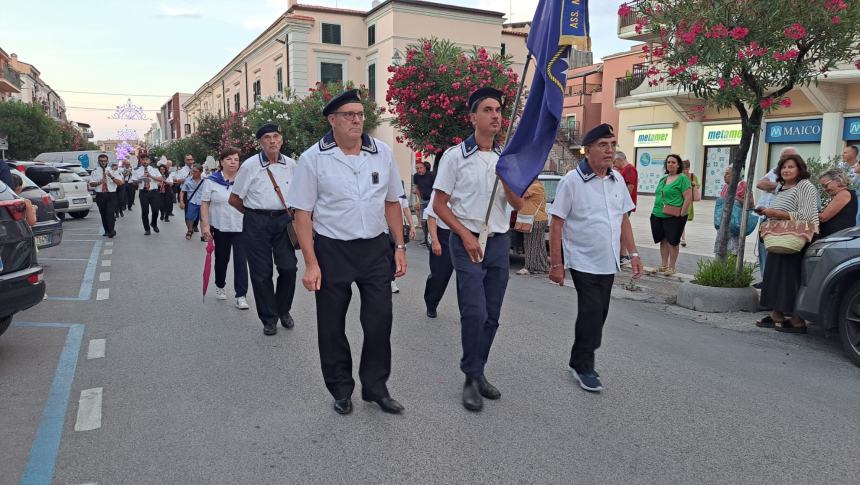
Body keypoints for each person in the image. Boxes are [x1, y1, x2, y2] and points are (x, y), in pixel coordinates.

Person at [287, 89, 407, 416]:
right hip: (332, 250)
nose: (357, 120)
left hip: (374, 248)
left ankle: (376, 387)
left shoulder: (381, 152)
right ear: (332, 120)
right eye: (348, 115)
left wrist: (399, 246)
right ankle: (341, 388)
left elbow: (392, 201)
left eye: (360, 115)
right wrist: (311, 264)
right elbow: (302, 215)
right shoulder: (314, 158)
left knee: (380, 321)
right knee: (331, 324)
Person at [433, 87, 525, 412]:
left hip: (498, 242)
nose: (496, 115)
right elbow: (439, 204)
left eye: (499, 110)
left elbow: (518, 203)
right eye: (488, 110)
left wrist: (510, 180)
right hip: (467, 240)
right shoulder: (454, 157)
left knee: (493, 315)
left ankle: (479, 369)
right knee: (474, 312)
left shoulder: (506, 159)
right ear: (473, 118)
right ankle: (470, 379)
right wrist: (463, 234)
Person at [548, 123, 643, 393]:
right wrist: (557, 264)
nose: (610, 150)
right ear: (587, 150)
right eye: (603, 145)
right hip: (581, 259)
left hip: (608, 260)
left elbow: (623, 219)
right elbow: (557, 223)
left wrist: (633, 253)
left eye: (612, 145)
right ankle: (584, 367)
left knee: (599, 314)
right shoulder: (572, 181)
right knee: (590, 312)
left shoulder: (616, 180)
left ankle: (578, 358)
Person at [229, 123, 298, 336]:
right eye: (267, 137)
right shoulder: (250, 166)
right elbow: (234, 199)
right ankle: (269, 318)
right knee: (261, 273)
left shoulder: (292, 165)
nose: (272, 141)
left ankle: (283, 309)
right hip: (256, 222)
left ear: (282, 140)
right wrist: (255, 215)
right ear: (261, 143)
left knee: (289, 268)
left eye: (276, 136)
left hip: (284, 222)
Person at [755, 154, 819, 333]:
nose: (786, 170)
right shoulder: (782, 187)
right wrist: (768, 212)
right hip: (779, 236)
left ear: (800, 169)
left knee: (791, 278)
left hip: (796, 239)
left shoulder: (805, 186)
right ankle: (777, 315)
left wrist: (777, 213)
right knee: (776, 276)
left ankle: (797, 320)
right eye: (783, 167)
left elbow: (807, 215)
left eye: (791, 167)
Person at [201, 147, 249, 310]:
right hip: (220, 227)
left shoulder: (245, 180)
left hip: (242, 227)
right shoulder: (211, 181)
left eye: (236, 159)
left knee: (241, 261)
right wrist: (206, 226)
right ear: (221, 162)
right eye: (229, 159)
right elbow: (205, 203)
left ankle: (241, 295)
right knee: (222, 259)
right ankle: (220, 285)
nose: (233, 162)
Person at [755, 147, 799, 282]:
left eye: (789, 157)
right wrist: (779, 186)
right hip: (765, 216)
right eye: (783, 157)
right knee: (763, 250)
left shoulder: (798, 175)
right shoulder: (775, 170)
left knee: (776, 250)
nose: (784, 160)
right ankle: (765, 280)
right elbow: (760, 184)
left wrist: (775, 186)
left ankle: (774, 281)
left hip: (782, 220)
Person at [649, 154, 691, 276]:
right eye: (668, 162)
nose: (670, 164)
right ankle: (664, 265)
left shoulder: (683, 179)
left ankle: (671, 267)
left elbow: (688, 198)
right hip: (658, 214)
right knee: (663, 240)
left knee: (673, 242)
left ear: (678, 165)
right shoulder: (663, 179)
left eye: (673, 162)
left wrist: (681, 214)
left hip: (673, 216)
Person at [423, 190, 453, 318]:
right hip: (444, 235)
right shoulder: (440, 190)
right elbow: (431, 217)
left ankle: (469, 312)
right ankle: (431, 303)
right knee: (440, 275)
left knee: (467, 278)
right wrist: (435, 241)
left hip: (466, 234)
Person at [713, 165, 754, 256]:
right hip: (723, 225)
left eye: (727, 173)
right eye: (724, 173)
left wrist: (735, 198)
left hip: (735, 226)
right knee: (720, 251)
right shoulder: (725, 186)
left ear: (735, 174)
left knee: (733, 253)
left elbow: (751, 204)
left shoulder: (743, 185)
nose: (724, 175)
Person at [515, 180, 549, 275]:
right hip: (533, 220)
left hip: (536, 220)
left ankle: (529, 268)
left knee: (531, 244)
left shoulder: (535, 186)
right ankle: (542, 267)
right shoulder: (534, 185)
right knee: (538, 245)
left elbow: (521, 194)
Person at [88, 153, 123, 238]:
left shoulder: (113, 170)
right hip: (100, 194)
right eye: (101, 161)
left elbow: (120, 182)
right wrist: (100, 182)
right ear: (98, 161)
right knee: (103, 213)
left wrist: (111, 177)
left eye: (104, 161)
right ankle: (107, 230)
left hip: (111, 194)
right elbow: (91, 184)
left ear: (107, 161)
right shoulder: (95, 171)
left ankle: (111, 230)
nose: (103, 163)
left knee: (110, 212)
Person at [818, 168, 858, 238]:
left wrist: (804, 213)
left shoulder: (844, 194)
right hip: (835, 240)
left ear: (838, 181)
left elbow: (823, 217)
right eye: (822, 187)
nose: (824, 189)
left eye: (826, 185)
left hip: (837, 240)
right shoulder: (841, 195)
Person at [614, 151, 638, 265]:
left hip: (624, 205)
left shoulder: (629, 169)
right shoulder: (625, 169)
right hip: (623, 204)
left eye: (615, 162)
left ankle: (623, 255)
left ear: (620, 160)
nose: (614, 164)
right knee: (620, 228)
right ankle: (621, 254)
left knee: (622, 228)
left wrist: (623, 202)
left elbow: (630, 186)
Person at [131, 154, 163, 235]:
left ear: (149, 161)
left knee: (155, 210)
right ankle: (147, 229)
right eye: (143, 160)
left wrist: (151, 176)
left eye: (146, 159)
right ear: (141, 161)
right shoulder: (136, 170)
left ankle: (154, 223)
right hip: (143, 192)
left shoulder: (154, 169)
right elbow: (134, 182)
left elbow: (160, 179)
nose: (145, 161)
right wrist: (141, 179)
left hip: (154, 191)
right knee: (145, 211)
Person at [391, 194, 416, 294]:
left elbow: (406, 209)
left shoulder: (400, 192)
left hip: (398, 229)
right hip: (382, 229)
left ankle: (391, 281)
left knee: (396, 256)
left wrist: (412, 226)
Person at [413, 161, 435, 246]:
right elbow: (416, 188)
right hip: (423, 201)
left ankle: (431, 238)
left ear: (425, 167)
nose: (419, 170)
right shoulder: (416, 176)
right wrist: (420, 199)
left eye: (420, 168)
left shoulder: (431, 175)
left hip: (431, 201)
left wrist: (433, 200)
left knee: (430, 220)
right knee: (423, 221)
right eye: (417, 168)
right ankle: (425, 238)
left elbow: (435, 188)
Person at [180, 165, 204, 240]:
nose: (193, 173)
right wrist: (181, 201)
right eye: (192, 171)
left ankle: (203, 234)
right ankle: (190, 230)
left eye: (195, 171)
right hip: (192, 201)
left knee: (203, 218)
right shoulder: (188, 180)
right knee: (190, 217)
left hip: (203, 202)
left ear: (200, 172)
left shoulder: (206, 180)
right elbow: (182, 191)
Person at [680, 159, 700, 247]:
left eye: (687, 169)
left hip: (688, 203)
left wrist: (694, 184)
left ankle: (681, 237)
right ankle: (682, 238)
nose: (685, 171)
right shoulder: (679, 176)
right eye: (683, 169)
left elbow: (698, 186)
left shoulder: (692, 176)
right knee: (681, 220)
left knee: (683, 221)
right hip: (679, 202)